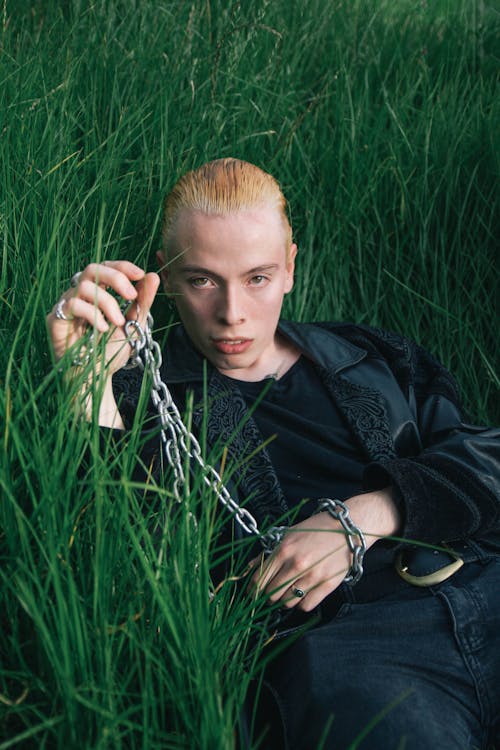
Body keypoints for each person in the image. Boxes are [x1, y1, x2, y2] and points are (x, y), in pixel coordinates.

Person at [47, 158, 500, 749]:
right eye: (203, 280)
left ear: (290, 267)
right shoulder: (140, 398)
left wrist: (372, 514)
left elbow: (484, 454)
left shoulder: (368, 355)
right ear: (166, 274)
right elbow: (112, 566)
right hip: (359, 658)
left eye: (257, 278)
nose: (232, 313)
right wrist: (87, 393)